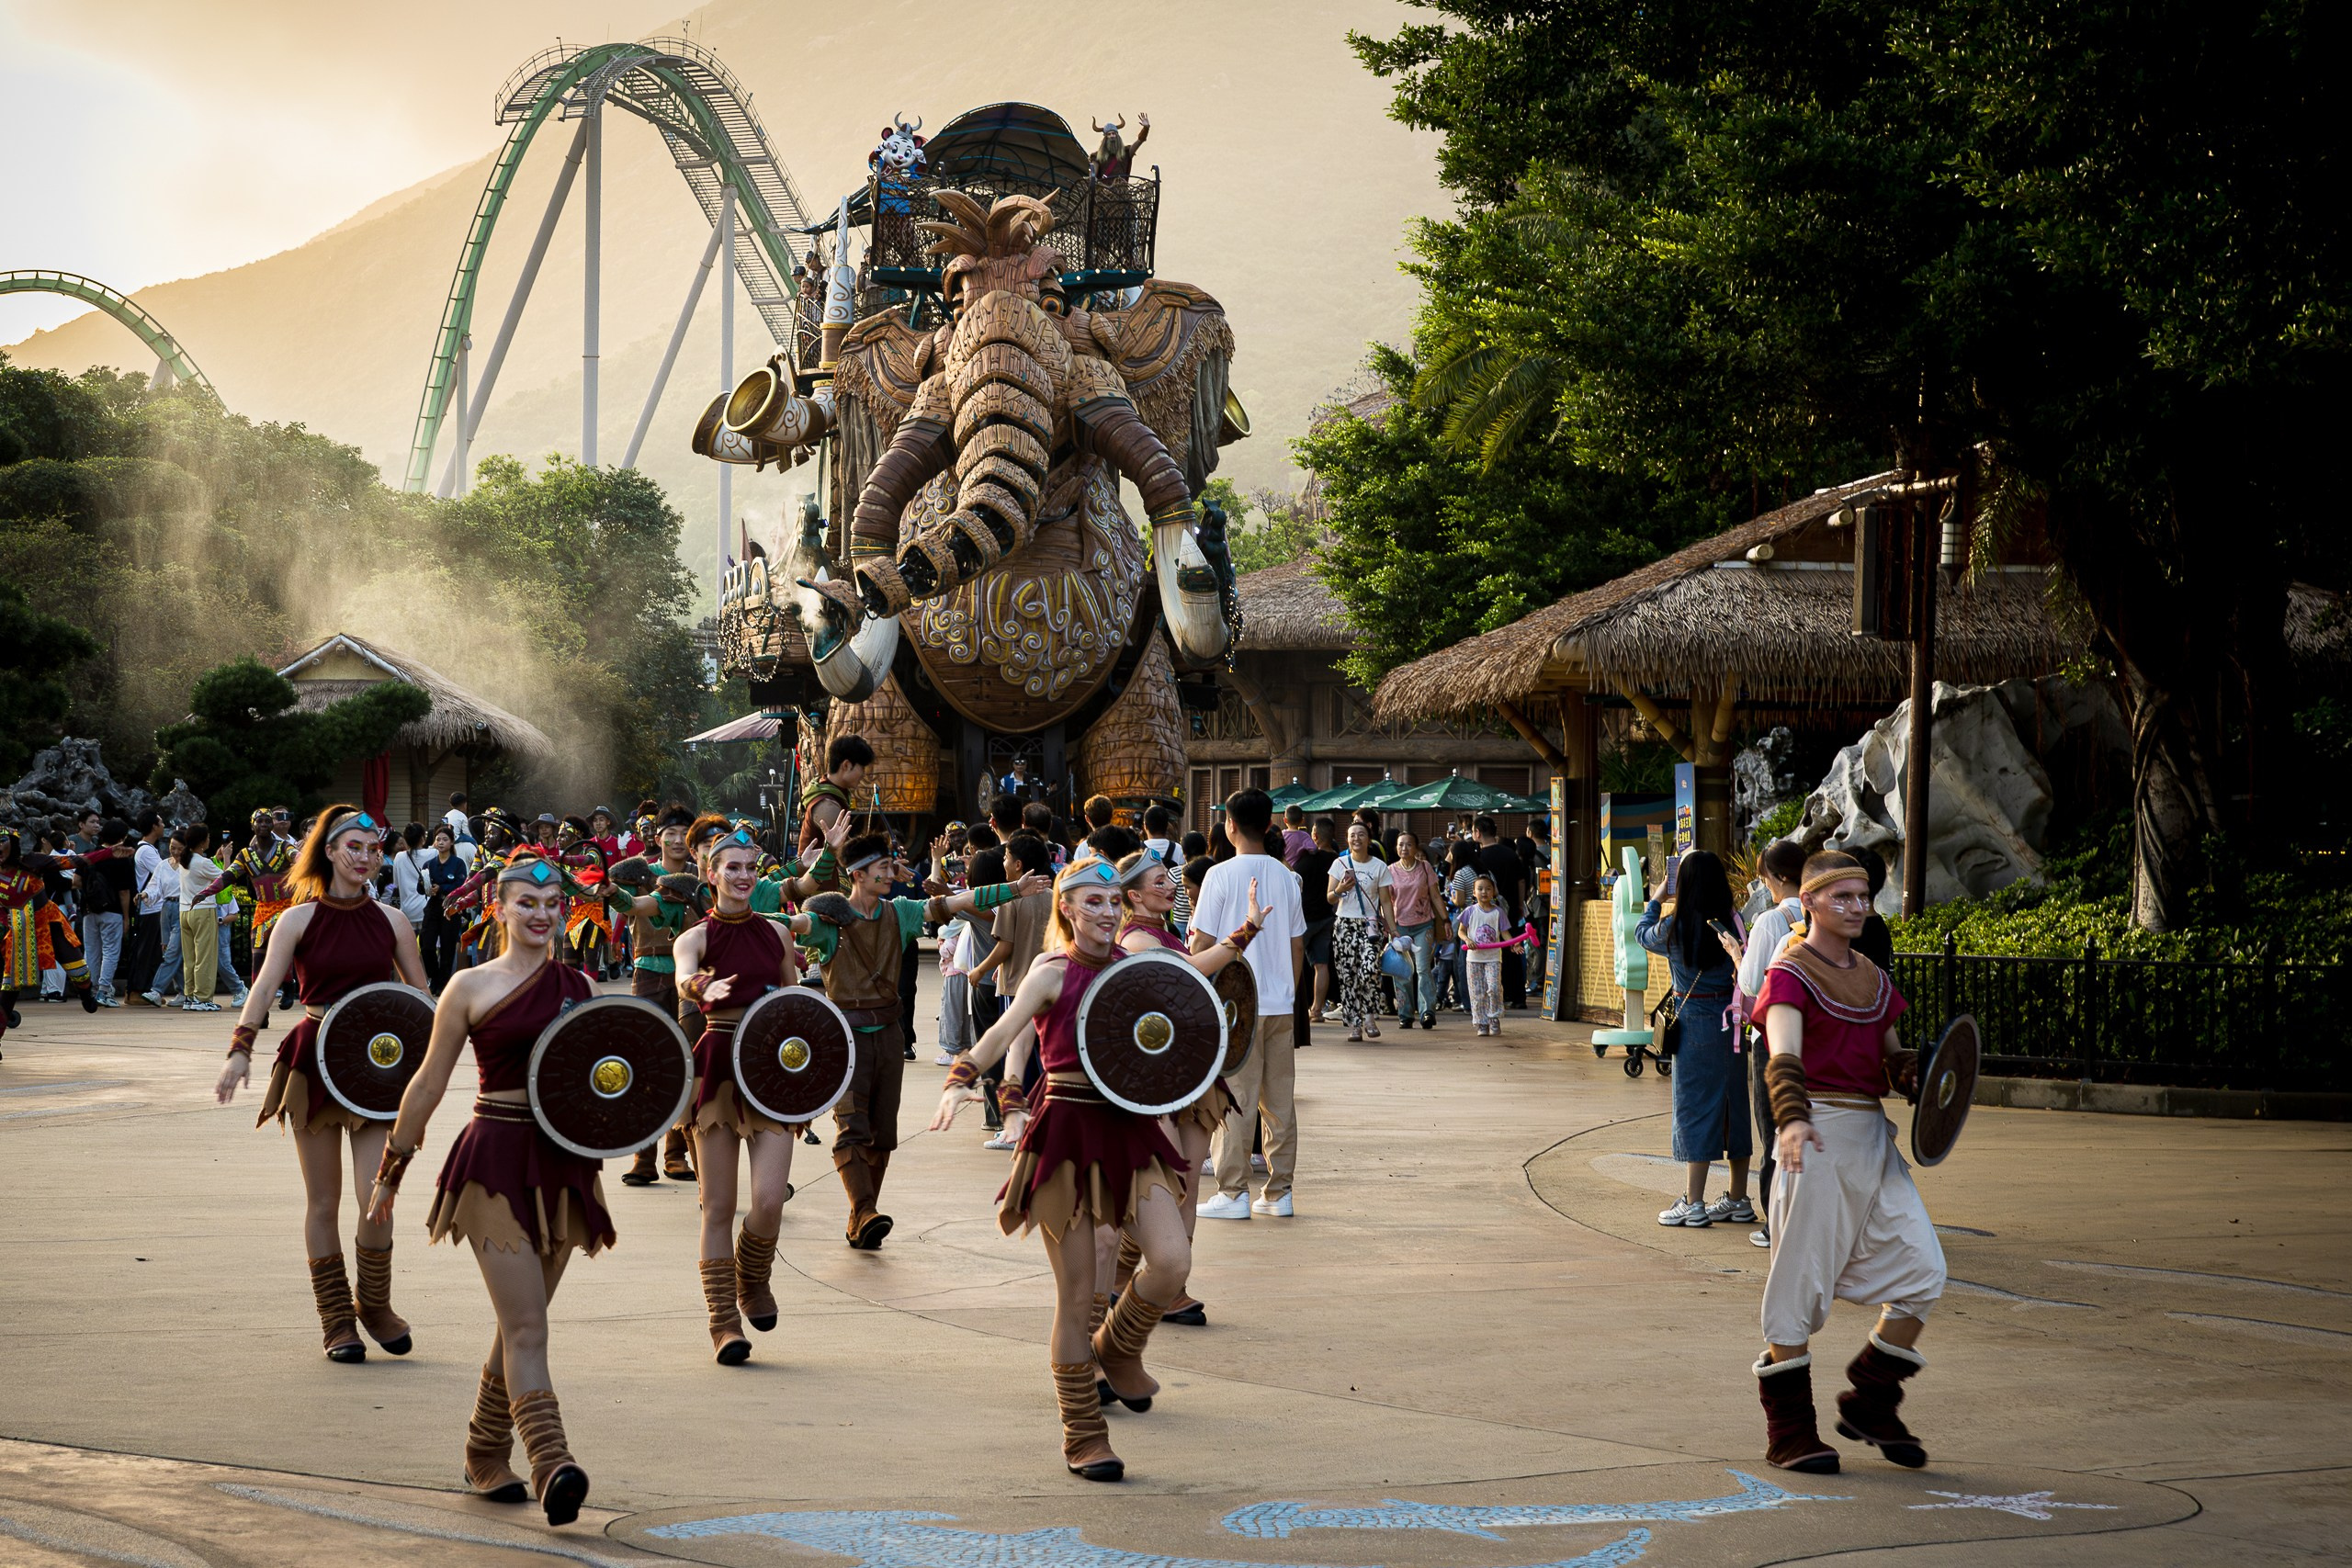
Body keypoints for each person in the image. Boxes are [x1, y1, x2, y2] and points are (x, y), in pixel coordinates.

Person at [929, 853, 1216, 1481]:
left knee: (1171, 1260)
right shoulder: (1049, 970)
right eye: (1094, 901)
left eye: (1115, 902)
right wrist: (960, 1079)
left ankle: (1115, 1346)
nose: (1108, 912)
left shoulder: (1133, 968)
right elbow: (1003, 1032)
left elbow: (1178, 1020)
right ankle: (1084, 1433)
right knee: (1079, 1292)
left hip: (1132, 1128)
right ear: (1066, 906)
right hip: (1066, 1131)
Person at [365, 848, 609, 1525]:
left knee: (517, 1323)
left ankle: (482, 1450)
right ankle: (554, 1462)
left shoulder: (580, 986)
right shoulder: (468, 985)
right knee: (529, 1324)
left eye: (551, 900)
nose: (540, 911)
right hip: (493, 1162)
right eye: (525, 901)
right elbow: (427, 1083)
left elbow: (604, 1085)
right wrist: (392, 1171)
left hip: (563, 1166)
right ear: (497, 907)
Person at [215, 807, 432, 1362]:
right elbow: (263, 989)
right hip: (313, 1061)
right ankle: (337, 1320)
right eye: (353, 847)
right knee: (323, 1200)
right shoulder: (296, 920)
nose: (365, 857)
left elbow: (424, 1003)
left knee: (376, 1198)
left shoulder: (392, 920)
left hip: (377, 1069)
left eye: (373, 849)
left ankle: (376, 1306)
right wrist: (240, 1051)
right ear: (330, 852)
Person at [1752, 851, 1942, 1475]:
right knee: (1797, 1285)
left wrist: (1918, 1072)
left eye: (1864, 896)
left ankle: (1872, 1398)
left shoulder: (1871, 975)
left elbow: (1888, 1058)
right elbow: (1783, 1054)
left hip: (1871, 1139)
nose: (1859, 907)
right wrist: (1792, 1118)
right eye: (1843, 897)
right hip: (1816, 1139)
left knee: (1922, 1270)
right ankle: (1790, 1430)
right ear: (1808, 900)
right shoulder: (1789, 971)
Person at [785, 829, 1044, 1248]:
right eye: (883, 868)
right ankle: (865, 1210)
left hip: (888, 1034)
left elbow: (957, 901)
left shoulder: (899, 912)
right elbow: (792, 924)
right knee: (851, 1126)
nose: (892, 873)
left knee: (883, 1132)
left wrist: (1015, 888)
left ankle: (860, 1215)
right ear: (857, 874)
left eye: (891, 865)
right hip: (845, 1038)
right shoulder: (828, 920)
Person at [669, 826, 820, 1363]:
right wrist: (699, 987)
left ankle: (752, 1276)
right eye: (731, 867)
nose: (741, 876)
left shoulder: (778, 934)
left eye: (749, 868)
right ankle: (723, 1322)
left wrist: (812, 1072)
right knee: (719, 1205)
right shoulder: (695, 938)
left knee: (768, 1200)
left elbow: (796, 1002)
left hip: (771, 1070)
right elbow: (686, 976)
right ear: (712, 874)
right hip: (717, 1071)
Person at [1115, 848, 1262, 1321]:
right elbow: (1192, 971)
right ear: (1133, 895)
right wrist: (1246, 931)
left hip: (1192, 1070)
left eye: (1168, 879)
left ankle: (1172, 1283)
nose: (1170, 885)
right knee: (1167, 1178)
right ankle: (1131, 1273)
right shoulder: (1136, 940)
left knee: (1187, 1180)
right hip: (1154, 1077)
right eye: (1159, 881)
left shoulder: (1167, 932)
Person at [1193, 788, 1306, 1220]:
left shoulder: (1219, 875)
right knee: (1279, 1100)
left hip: (1233, 1005)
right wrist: (1288, 992)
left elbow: (1202, 942)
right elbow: (1297, 946)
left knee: (1234, 1097)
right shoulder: (1287, 876)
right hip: (1279, 1003)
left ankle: (1234, 1190)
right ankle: (1279, 1193)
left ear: (1230, 825)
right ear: (1269, 823)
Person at [1639, 850, 1753, 1227]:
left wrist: (1657, 896)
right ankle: (1738, 1198)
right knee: (1733, 1107)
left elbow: (1641, 933)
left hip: (1694, 1024)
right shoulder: (1734, 924)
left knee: (1693, 1109)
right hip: (1731, 1025)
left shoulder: (1675, 928)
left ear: (1682, 885)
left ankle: (1694, 1203)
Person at [615, 806, 703, 1185]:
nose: (676, 837)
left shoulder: (704, 877)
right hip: (648, 971)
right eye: (670, 830)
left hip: (694, 976)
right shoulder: (640, 873)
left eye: (685, 830)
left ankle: (676, 1153)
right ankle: (643, 1156)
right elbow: (623, 902)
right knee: (647, 1061)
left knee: (687, 1061)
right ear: (657, 837)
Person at [1731, 838, 1810, 1249]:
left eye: (1764, 877)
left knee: (1774, 1130)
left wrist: (1735, 955)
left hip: (1771, 1036)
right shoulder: (1821, 916)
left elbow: (1750, 983)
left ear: (1778, 878)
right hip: (1812, 1035)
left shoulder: (1769, 923)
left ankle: (1775, 1222)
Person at [967, 833, 1056, 1150]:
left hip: (1017, 986)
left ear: (1018, 866)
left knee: (1014, 1057)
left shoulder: (1011, 897)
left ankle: (1014, 1126)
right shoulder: (1054, 893)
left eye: (1006, 858)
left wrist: (979, 969)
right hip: (1050, 985)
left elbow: (1005, 946)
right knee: (1044, 1058)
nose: (1003, 863)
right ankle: (1043, 1119)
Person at [1326, 819, 1392, 1042]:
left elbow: (1386, 901)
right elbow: (1329, 897)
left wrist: (1392, 929)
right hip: (1344, 924)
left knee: (1369, 969)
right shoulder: (1340, 863)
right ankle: (1355, 1025)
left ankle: (1370, 1017)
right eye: (1352, 835)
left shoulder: (1379, 866)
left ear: (1369, 838)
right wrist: (1340, 889)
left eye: (1361, 834)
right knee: (1348, 975)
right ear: (1347, 839)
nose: (1356, 838)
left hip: (1370, 925)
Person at [1386, 828, 1444, 1029]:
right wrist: (1389, 927)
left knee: (1422, 968)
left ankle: (1427, 1011)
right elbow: (1386, 901)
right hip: (1399, 928)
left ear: (1416, 847)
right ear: (1396, 848)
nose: (1404, 848)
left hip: (1423, 926)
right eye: (1401, 844)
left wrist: (1445, 920)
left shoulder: (1425, 867)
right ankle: (1405, 1014)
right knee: (1402, 971)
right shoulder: (1390, 870)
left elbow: (1435, 895)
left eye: (1409, 844)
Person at [1473, 816, 1530, 1010]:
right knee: (1513, 949)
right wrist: (1520, 904)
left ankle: (1500, 995)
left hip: (1486, 912)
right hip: (1510, 909)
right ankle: (1519, 996)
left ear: (1477, 833)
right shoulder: (1510, 853)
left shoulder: (1478, 857)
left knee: (1492, 953)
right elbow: (1521, 880)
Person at [173, 823, 226, 1012]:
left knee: (190, 958)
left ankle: (189, 996)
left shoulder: (185, 860)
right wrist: (226, 858)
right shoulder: (203, 863)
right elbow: (225, 878)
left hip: (184, 911)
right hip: (203, 911)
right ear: (203, 842)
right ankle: (203, 998)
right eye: (208, 837)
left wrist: (215, 858)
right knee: (205, 956)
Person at [799, 736, 874, 868]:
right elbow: (848, 852)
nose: (863, 774)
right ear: (846, 765)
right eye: (862, 768)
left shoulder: (832, 793)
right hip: (817, 884)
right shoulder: (827, 805)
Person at [1295, 817, 1339, 1025]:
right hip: (1327, 918)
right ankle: (1317, 1011)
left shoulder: (1306, 860)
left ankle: (1293, 1009)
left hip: (1304, 918)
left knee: (1293, 961)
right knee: (1321, 965)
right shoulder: (1337, 861)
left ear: (1315, 836)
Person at [121, 811, 167, 1003]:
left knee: (153, 952)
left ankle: (144, 990)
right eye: (161, 822)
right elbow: (165, 873)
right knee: (145, 950)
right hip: (149, 908)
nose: (164, 825)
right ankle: (135, 991)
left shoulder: (148, 849)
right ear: (154, 826)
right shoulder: (146, 851)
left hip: (154, 908)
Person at [418, 826, 469, 990]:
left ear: (452, 842)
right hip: (432, 908)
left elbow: (460, 885)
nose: (441, 843)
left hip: (450, 909)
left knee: (447, 948)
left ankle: (442, 984)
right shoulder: (429, 864)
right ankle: (435, 977)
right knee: (427, 946)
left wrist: (442, 888)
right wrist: (427, 887)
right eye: (438, 839)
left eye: (445, 839)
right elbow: (420, 889)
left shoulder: (458, 863)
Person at [1459, 876, 1510, 1035]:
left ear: (1493, 891)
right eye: (1480, 889)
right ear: (1473, 892)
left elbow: (1506, 933)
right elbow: (1461, 931)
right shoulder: (1469, 911)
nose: (1484, 892)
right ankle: (1481, 1023)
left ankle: (1494, 1018)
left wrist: (1514, 943)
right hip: (1474, 958)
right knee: (1477, 992)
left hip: (1493, 957)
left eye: (1488, 888)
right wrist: (1468, 939)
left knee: (1494, 988)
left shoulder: (1498, 912)